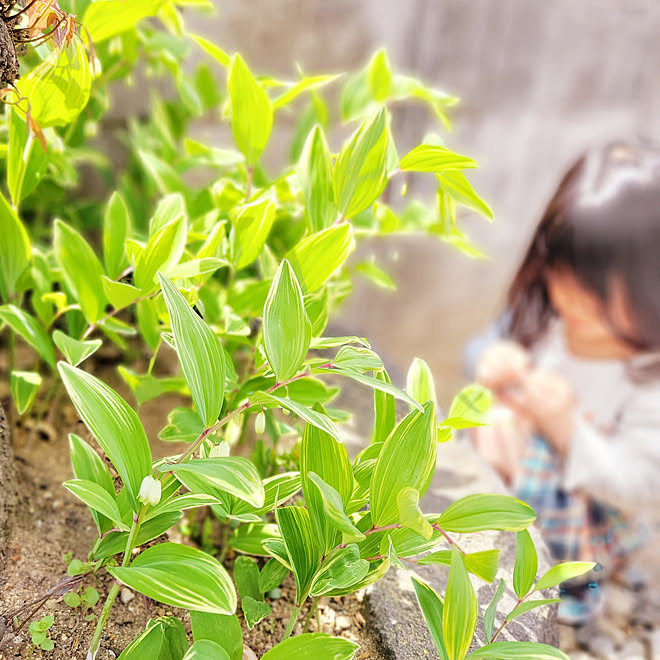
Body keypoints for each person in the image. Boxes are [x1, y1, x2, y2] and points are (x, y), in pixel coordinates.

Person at [468, 139, 660, 624]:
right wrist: (498, 361)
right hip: (536, 475)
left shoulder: (647, 381)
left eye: (595, 305)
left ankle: (564, 578)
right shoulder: (550, 317)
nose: (569, 309)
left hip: (597, 515)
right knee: (487, 418)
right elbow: (480, 349)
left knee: (523, 448)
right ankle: (492, 534)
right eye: (560, 279)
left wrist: (566, 428)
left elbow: (638, 486)